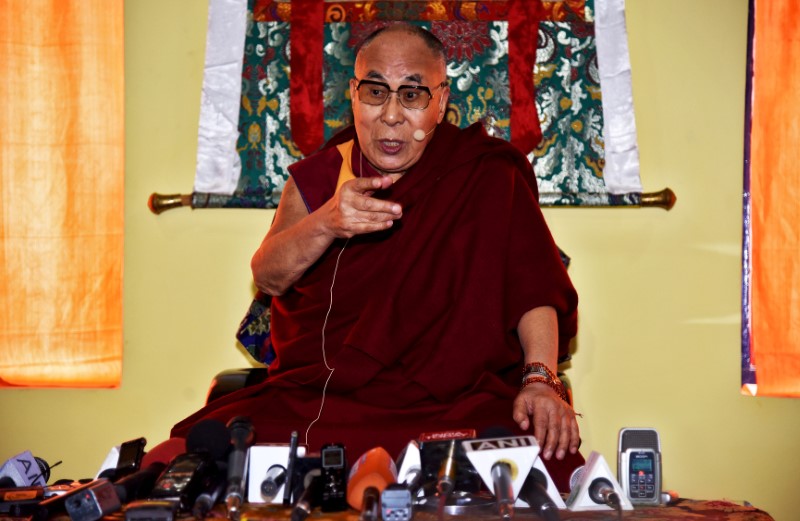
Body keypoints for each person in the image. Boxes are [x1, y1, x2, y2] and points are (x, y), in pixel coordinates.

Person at [171, 23, 582, 491]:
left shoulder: (487, 173)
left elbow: (533, 288)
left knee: (542, 461)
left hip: (453, 401)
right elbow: (269, 276)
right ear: (353, 93)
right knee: (190, 465)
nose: (390, 115)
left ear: (442, 100)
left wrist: (540, 379)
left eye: (412, 95)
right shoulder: (323, 175)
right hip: (324, 400)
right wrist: (327, 221)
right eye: (375, 91)